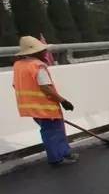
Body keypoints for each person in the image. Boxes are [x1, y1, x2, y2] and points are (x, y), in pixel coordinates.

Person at [11, 35, 78, 166]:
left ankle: (65, 153)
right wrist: (63, 101)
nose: (45, 52)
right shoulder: (38, 66)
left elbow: (15, 85)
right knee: (53, 134)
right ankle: (57, 159)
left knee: (54, 132)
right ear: (36, 52)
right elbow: (45, 88)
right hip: (46, 108)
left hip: (31, 108)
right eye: (43, 51)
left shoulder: (18, 65)